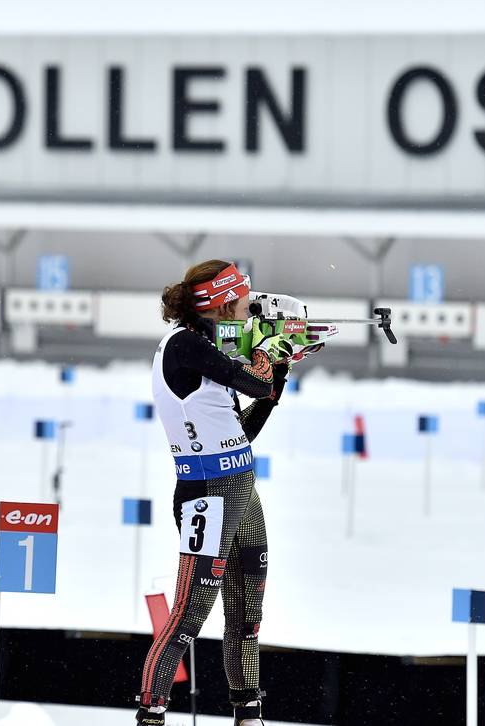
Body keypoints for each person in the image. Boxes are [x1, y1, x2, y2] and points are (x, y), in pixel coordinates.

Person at [135, 260, 321, 726]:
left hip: (242, 487)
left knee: (247, 617)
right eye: (243, 301)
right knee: (189, 616)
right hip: (208, 495)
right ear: (219, 303)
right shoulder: (186, 346)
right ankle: (151, 715)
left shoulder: (206, 349)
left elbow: (240, 430)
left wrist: (277, 376)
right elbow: (252, 377)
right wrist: (271, 351)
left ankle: (249, 713)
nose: (250, 309)